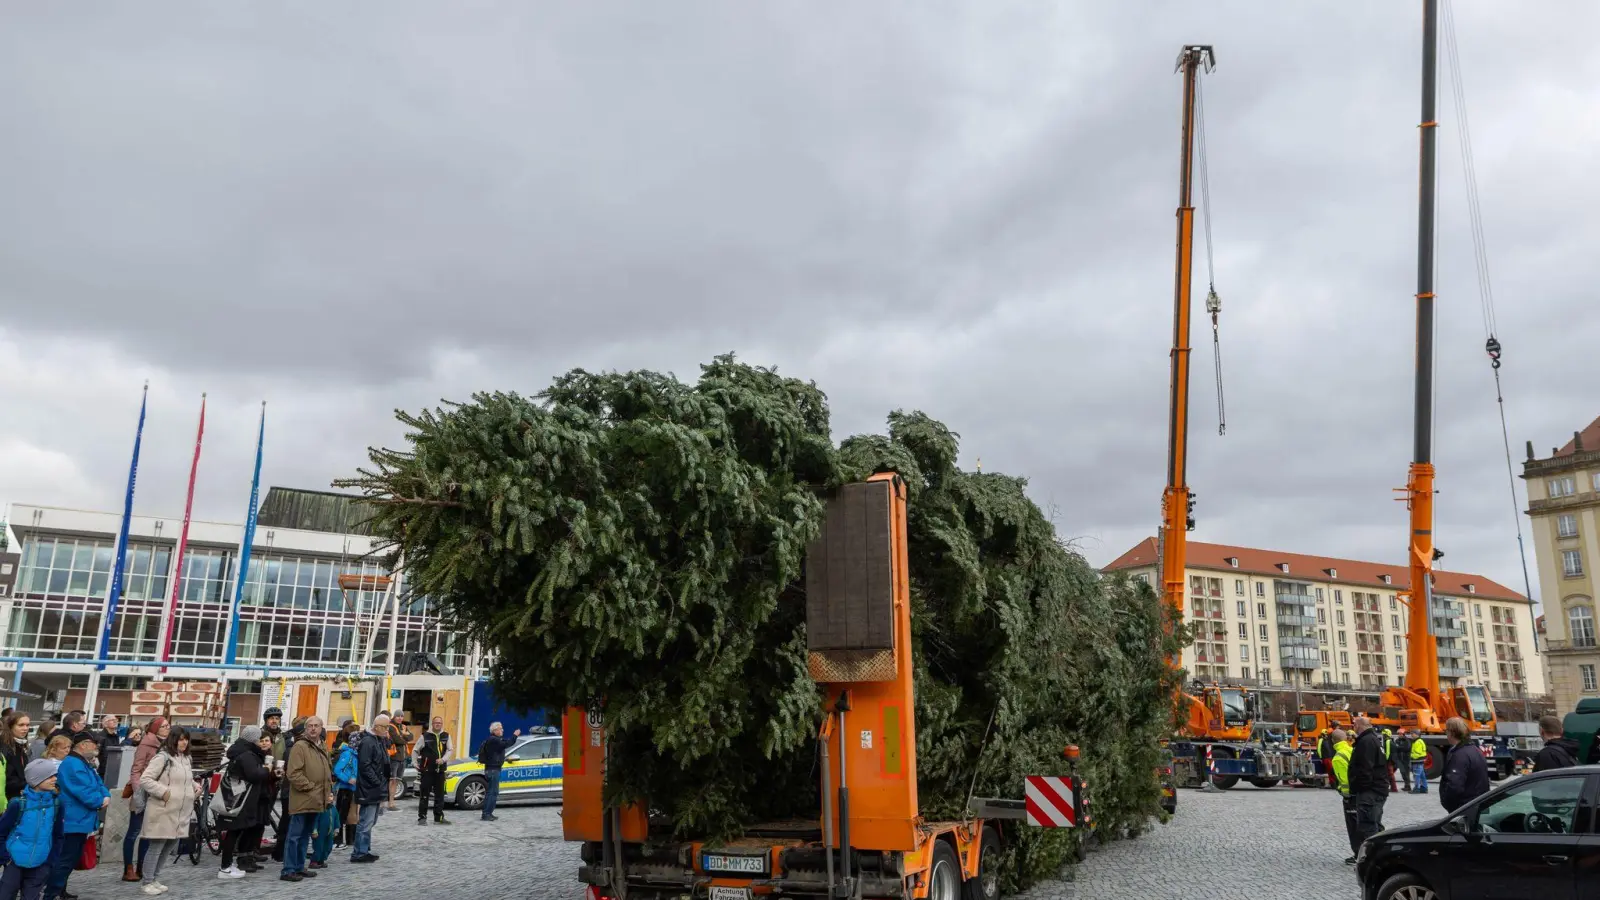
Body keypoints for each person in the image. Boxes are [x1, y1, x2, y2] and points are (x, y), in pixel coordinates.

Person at [46, 733, 109, 900]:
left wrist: (105, 795)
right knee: (65, 859)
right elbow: (83, 790)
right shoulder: (74, 764)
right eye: (94, 743)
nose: (97, 746)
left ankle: (60, 891)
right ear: (83, 745)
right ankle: (51, 894)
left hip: (79, 819)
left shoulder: (82, 762)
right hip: (73, 820)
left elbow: (98, 783)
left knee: (69, 859)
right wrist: (99, 800)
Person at [136, 727, 195, 896]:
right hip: (163, 808)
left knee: (169, 845)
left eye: (186, 739)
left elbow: (185, 780)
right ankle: (147, 881)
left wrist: (194, 788)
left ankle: (154, 878)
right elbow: (146, 779)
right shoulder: (162, 757)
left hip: (179, 810)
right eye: (181, 739)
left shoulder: (186, 758)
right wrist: (164, 792)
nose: (184, 742)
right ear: (173, 740)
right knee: (156, 846)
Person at [215, 725, 274, 880]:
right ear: (253, 739)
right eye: (259, 738)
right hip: (241, 798)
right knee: (233, 832)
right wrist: (267, 769)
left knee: (234, 832)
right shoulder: (246, 754)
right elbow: (254, 774)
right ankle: (225, 867)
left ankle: (227, 865)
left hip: (237, 795)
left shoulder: (239, 750)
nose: (260, 741)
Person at [0, 759, 63, 900]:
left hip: (41, 862)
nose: (55, 779)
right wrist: (6, 858)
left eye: (55, 775)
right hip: (14, 862)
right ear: (36, 780)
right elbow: (1, 832)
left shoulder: (57, 804)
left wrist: (50, 861)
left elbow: (58, 835)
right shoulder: (18, 804)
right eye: (50, 776)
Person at [281, 716, 332, 882]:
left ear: (321, 728)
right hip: (303, 798)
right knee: (295, 836)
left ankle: (298, 866)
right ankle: (288, 869)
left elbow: (326, 771)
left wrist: (327, 792)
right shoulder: (300, 746)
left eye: (316, 726)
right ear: (305, 728)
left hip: (317, 799)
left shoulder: (321, 745)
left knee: (305, 835)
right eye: (310, 726)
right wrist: (310, 787)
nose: (313, 729)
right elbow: (293, 773)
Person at [122, 717, 169, 883]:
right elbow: (136, 770)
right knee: (134, 831)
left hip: (156, 792)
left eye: (168, 725)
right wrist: (138, 792)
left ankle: (142, 867)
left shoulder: (165, 745)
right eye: (164, 726)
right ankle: (128, 868)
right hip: (142, 791)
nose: (167, 728)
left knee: (148, 833)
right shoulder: (145, 745)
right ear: (156, 729)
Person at [351, 715, 391, 863]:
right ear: (378, 726)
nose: (387, 730)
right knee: (366, 821)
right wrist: (377, 782)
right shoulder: (368, 741)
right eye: (386, 727)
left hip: (375, 787)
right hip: (369, 787)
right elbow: (365, 765)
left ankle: (364, 849)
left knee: (371, 821)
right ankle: (359, 853)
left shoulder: (378, 740)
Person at [1347, 716, 1388, 854]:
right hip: (1376, 790)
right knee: (1374, 824)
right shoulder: (1373, 739)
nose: (1353, 728)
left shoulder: (1366, 741)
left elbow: (1365, 769)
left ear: (1359, 725)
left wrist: (1360, 788)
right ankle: (1380, 856)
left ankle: (1374, 858)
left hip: (1370, 792)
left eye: (1354, 725)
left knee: (1368, 827)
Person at [1439, 716, 1491, 813]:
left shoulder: (1459, 755)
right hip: (1478, 805)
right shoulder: (1475, 750)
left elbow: (1454, 786)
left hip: (1465, 808)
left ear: (1452, 732)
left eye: (1446, 731)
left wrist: (1449, 805)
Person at [476, 723, 521, 822]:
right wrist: (515, 735)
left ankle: (488, 813)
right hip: (493, 770)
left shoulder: (494, 740)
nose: (502, 730)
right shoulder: (494, 740)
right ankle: (486, 814)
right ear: (495, 730)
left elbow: (505, 742)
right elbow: (506, 744)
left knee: (492, 792)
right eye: (501, 729)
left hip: (492, 769)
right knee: (492, 793)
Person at [414, 716, 453, 826]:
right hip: (427, 770)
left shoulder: (446, 736)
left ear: (442, 724)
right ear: (432, 724)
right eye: (436, 723)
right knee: (424, 794)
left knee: (440, 795)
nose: (438, 724)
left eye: (439, 723)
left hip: (440, 770)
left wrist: (443, 759)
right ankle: (422, 818)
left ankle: (438, 817)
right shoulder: (425, 736)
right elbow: (415, 750)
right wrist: (415, 763)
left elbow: (450, 750)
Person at [1329, 728, 1359, 864]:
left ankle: (1357, 853)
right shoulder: (1351, 749)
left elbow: (1345, 780)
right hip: (1361, 793)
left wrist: (1343, 793)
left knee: (1353, 827)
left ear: (1333, 741)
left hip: (1350, 797)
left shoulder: (1338, 757)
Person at [331, 724, 360, 848]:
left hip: (350, 789)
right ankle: (336, 841)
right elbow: (337, 770)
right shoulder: (347, 754)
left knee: (348, 814)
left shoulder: (354, 753)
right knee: (340, 815)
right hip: (344, 788)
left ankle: (349, 840)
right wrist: (348, 779)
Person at [1, 713, 33, 802]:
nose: (25, 728)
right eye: (21, 725)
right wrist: (28, 784)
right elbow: (7, 778)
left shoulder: (20, 745)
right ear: (10, 726)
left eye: (27, 725)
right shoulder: (4, 747)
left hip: (19, 795)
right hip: (7, 798)